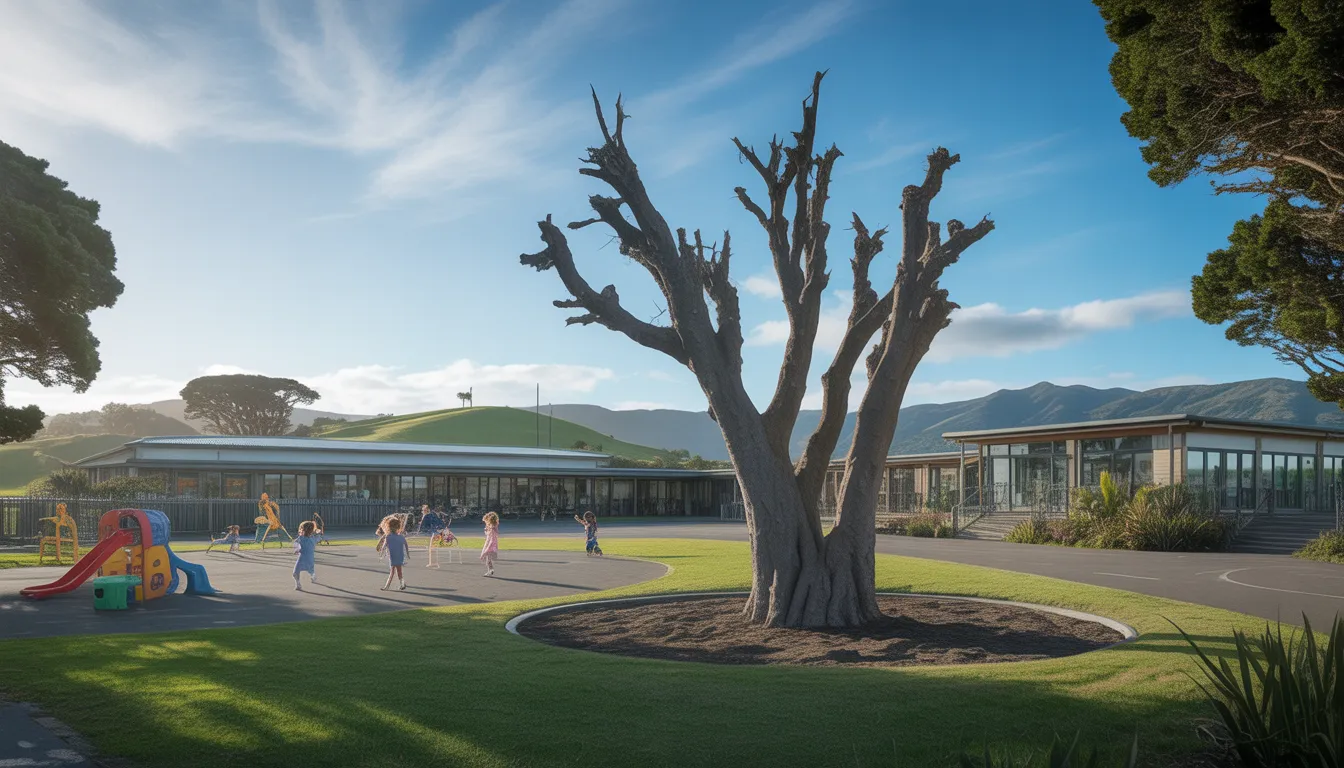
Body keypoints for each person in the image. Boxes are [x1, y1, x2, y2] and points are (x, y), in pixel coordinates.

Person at [377, 516, 410, 591]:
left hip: (394, 556)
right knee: (398, 572)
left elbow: (384, 546)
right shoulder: (398, 537)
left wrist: (381, 553)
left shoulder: (389, 537)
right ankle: (402, 584)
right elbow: (406, 545)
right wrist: (407, 554)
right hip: (397, 556)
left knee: (394, 572)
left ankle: (388, 586)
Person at [291, 521, 319, 591]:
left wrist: (297, 549)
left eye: (301, 529)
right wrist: (318, 532)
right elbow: (318, 538)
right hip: (309, 559)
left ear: (304, 530)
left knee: (295, 572)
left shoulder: (301, 538)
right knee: (310, 570)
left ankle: (298, 584)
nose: (300, 530)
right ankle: (313, 576)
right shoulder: (313, 538)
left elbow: (296, 543)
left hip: (302, 558)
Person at [480, 511, 499, 576]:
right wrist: (486, 530)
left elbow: (492, 537)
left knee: (487, 557)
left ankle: (490, 570)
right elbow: (490, 534)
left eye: (486, 521)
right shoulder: (493, 526)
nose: (486, 523)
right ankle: (490, 570)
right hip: (491, 543)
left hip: (490, 543)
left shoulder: (492, 527)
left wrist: (488, 547)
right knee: (488, 558)